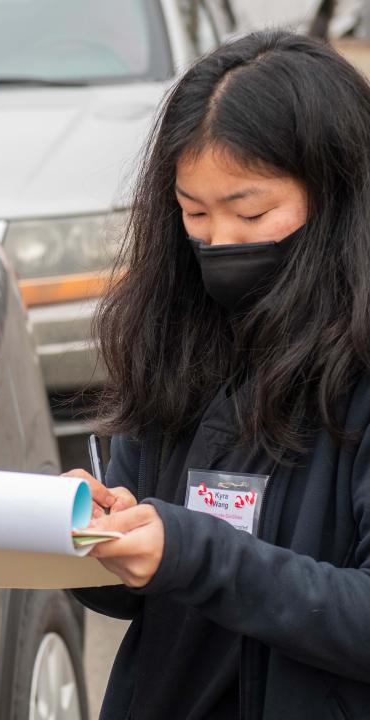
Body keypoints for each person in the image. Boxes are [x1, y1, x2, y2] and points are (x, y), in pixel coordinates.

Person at [65, 31, 370, 719]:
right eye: (194, 213)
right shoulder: (174, 335)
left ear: (339, 195)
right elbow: (139, 589)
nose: (220, 242)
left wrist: (193, 552)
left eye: (250, 212)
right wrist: (88, 538)